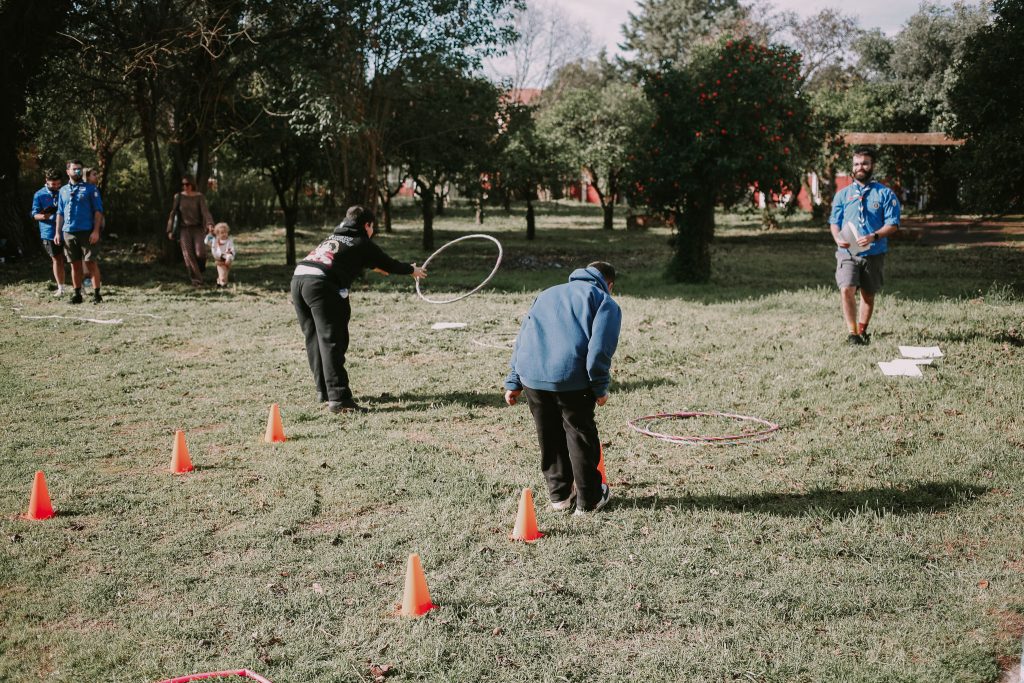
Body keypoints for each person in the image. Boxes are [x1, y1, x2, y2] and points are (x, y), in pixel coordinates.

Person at [503, 262, 622, 515]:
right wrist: (600, 387)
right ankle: (589, 500)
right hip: (571, 379)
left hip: (532, 376)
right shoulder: (604, 301)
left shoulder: (546, 293)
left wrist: (513, 381)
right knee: (579, 435)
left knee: (549, 434)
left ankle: (559, 496)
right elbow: (600, 349)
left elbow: (523, 336)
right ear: (609, 284)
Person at [291, 206, 426, 413]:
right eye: (373, 227)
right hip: (321, 284)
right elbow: (388, 264)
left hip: (299, 279)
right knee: (331, 340)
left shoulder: (334, 237)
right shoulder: (362, 241)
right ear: (367, 225)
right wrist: (412, 270)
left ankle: (325, 391)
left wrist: (375, 266)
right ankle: (339, 400)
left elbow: (350, 258)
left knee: (314, 338)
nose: (373, 231)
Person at [829, 147, 901, 345]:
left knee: (868, 295)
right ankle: (852, 334)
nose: (860, 167)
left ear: (872, 166)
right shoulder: (842, 195)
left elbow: (893, 224)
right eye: (857, 163)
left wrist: (874, 236)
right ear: (853, 167)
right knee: (846, 289)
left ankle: (863, 330)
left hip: (874, 252)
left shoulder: (885, 194)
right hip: (847, 252)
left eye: (865, 163)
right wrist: (837, 238)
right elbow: (834, 222)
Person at [54, 159, 104, 304]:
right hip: (68, 232)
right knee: (74, 264)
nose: (77, 171)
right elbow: (60, 213)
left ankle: (96, 294)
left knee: (90, 262)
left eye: (79, 169)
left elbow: (98, 211)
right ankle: (77, 294)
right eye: (74, 169)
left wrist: (96, 231)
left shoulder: (90, 188)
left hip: (87, 231)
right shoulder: (62, 190)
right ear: (67, 171)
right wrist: (58, 232)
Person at [166, 175, 214, 286]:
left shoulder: (199, 197)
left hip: (197, 228)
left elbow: (205, 212)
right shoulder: (178, 197)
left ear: (192, 184)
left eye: (187, 184)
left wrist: (210, 224)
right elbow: (173, 213)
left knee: (200, 253)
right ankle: (197, 281)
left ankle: (200, 268)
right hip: (184, 229)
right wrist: (170, 230)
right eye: (183, 185)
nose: (185, 186)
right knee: (188, 255)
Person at [31, 169, 66, 296]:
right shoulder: (39, 194)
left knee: (75, 259)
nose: (56, 187)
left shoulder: (65, 191)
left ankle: (79, 286)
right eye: (53, 184)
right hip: (49, 232)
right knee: (57, 259)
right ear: (46, 181)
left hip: (67, 230)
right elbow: (35, 215)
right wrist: (46, 216)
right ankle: (61, 288)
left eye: (58, 184)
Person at [206, 222, 235, 287]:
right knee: (223, 274)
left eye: (225, 232)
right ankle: (222, 283)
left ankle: (220, 282)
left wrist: (229, 257)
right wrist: (210, 233)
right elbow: (206, 241)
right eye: (222, 233)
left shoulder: (229, 241)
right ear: (217, 234)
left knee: (225, 274)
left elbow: (231, 250)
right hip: (219, 260)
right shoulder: (215, 241)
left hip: (227, 260)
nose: (224, 234)